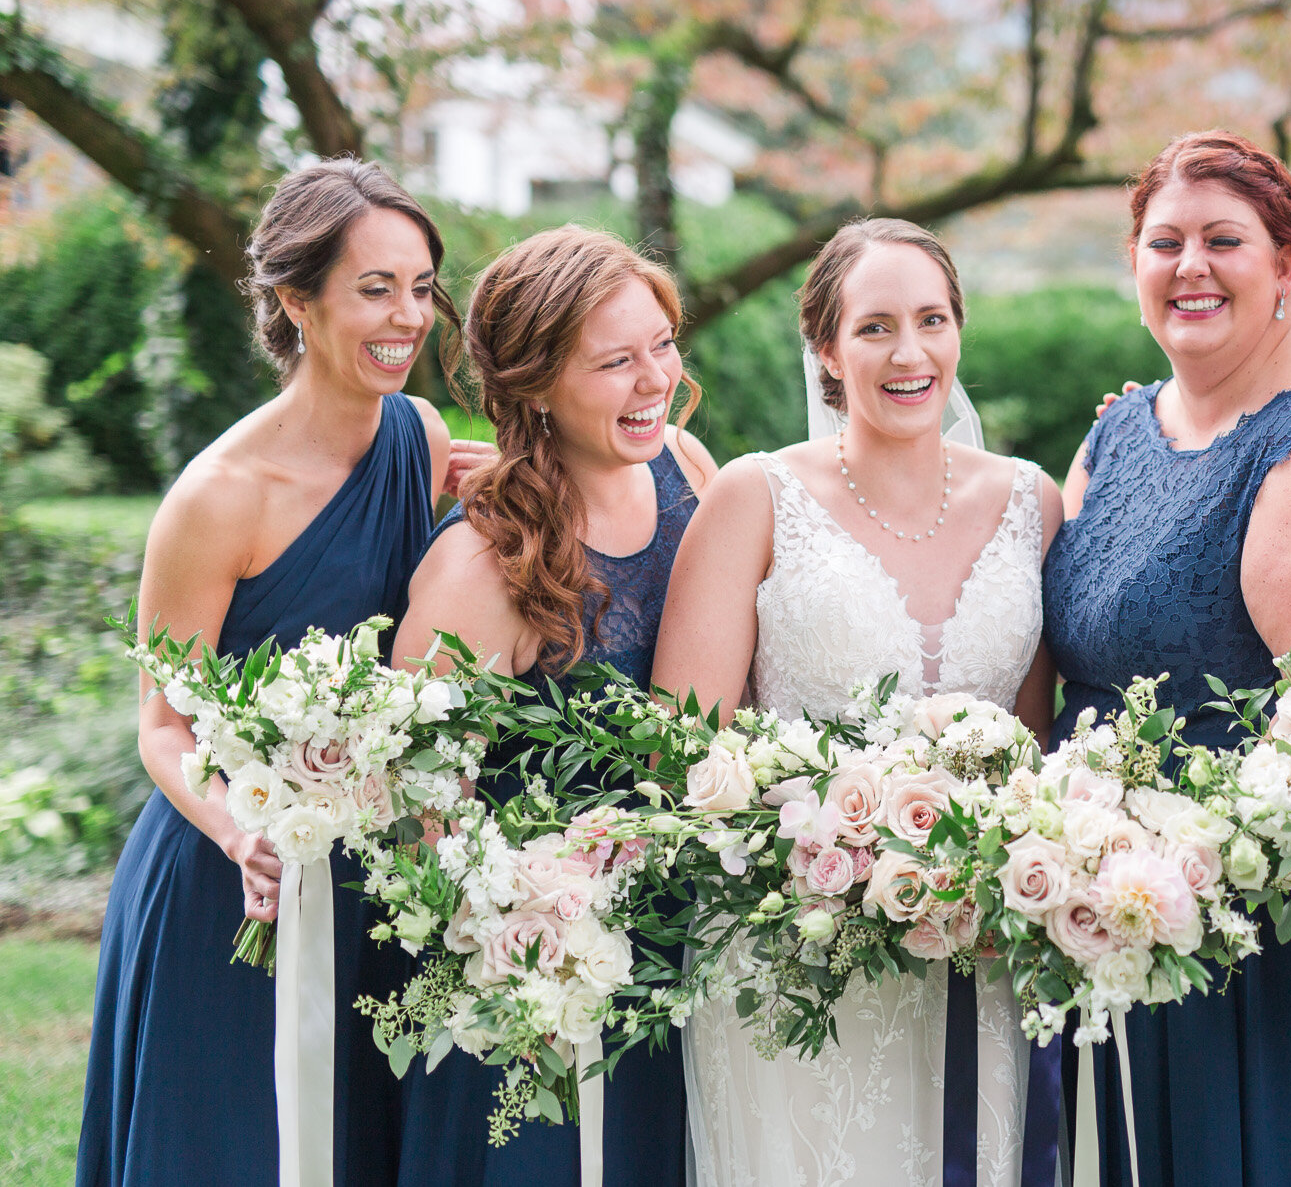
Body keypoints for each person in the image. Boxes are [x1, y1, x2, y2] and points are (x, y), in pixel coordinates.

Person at [1044, 129, 1291, 1187]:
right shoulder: (1121, 428)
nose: (1189, 267)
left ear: (1284, 268)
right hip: (1103, 922)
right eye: (1162, 242)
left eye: (1223, 240)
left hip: (1248, 949)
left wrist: (1157, 871)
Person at [654, 217, 1063, 1187]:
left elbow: (1041, 745)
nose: (908, 352)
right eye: (874, 327)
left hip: (984, 952)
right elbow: (680, 751)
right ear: (827, 350)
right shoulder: (755, 498)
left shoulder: (1031, 504)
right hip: (798, 959)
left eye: (931, 320)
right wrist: (828, 843)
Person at [77, 159, 455, 1187]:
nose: (407, 316)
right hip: (230, 878)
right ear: (296, 299)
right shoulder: (218, 497)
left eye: (420, 287)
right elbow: (162, 724)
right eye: (375, 288)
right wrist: (243, 829)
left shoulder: (418, 438)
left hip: (366, 874)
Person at [389, 225, 715, 1185]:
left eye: (661, 343)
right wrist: (535, 937)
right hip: (539, 998)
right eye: (615, 360)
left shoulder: (688, 470)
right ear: (533, 382)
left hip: (682, 957)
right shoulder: (480, 563)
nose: (653, 378)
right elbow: (414, 811)